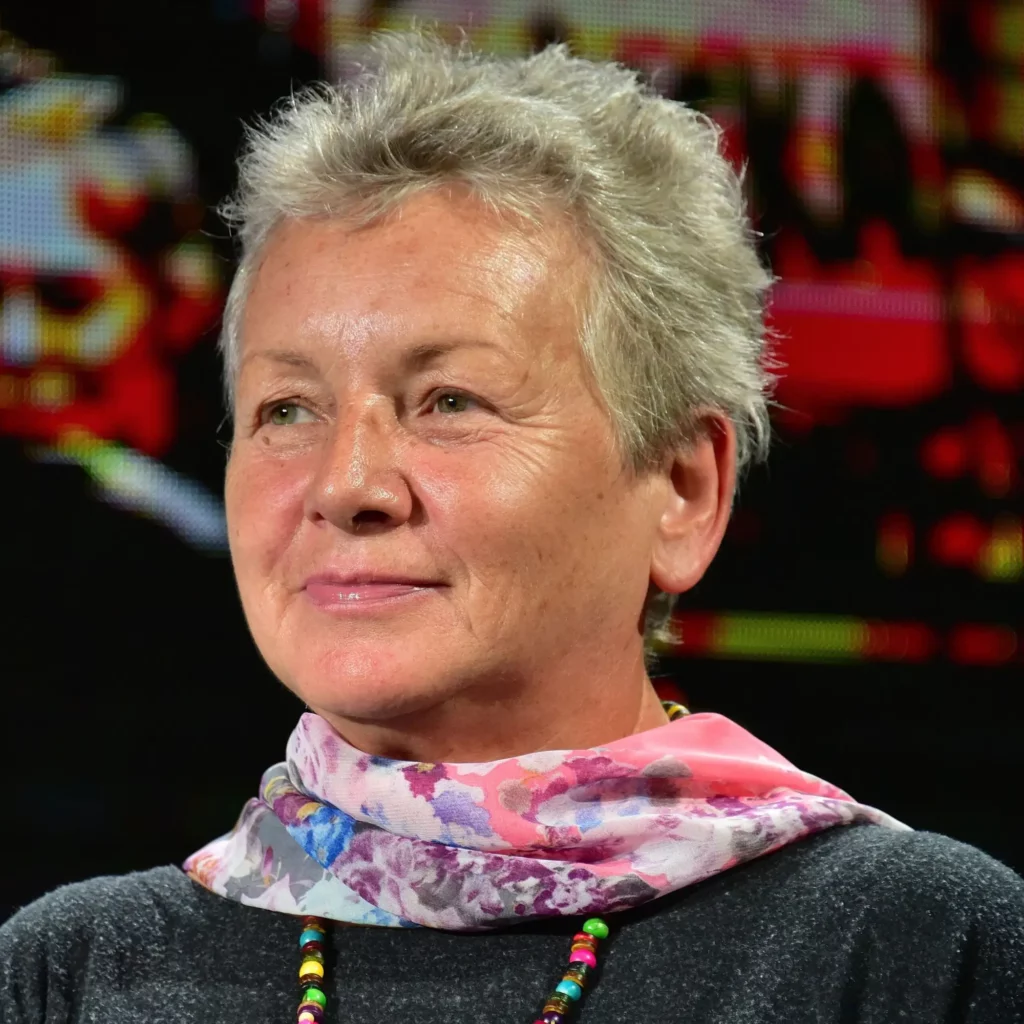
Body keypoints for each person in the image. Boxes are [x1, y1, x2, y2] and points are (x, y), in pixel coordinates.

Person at [2, 31, 1022, 1024]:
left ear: (682, 488)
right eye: (288, 409)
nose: (347, 484)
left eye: (448, 400)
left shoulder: (915, 948)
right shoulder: (73, 974)